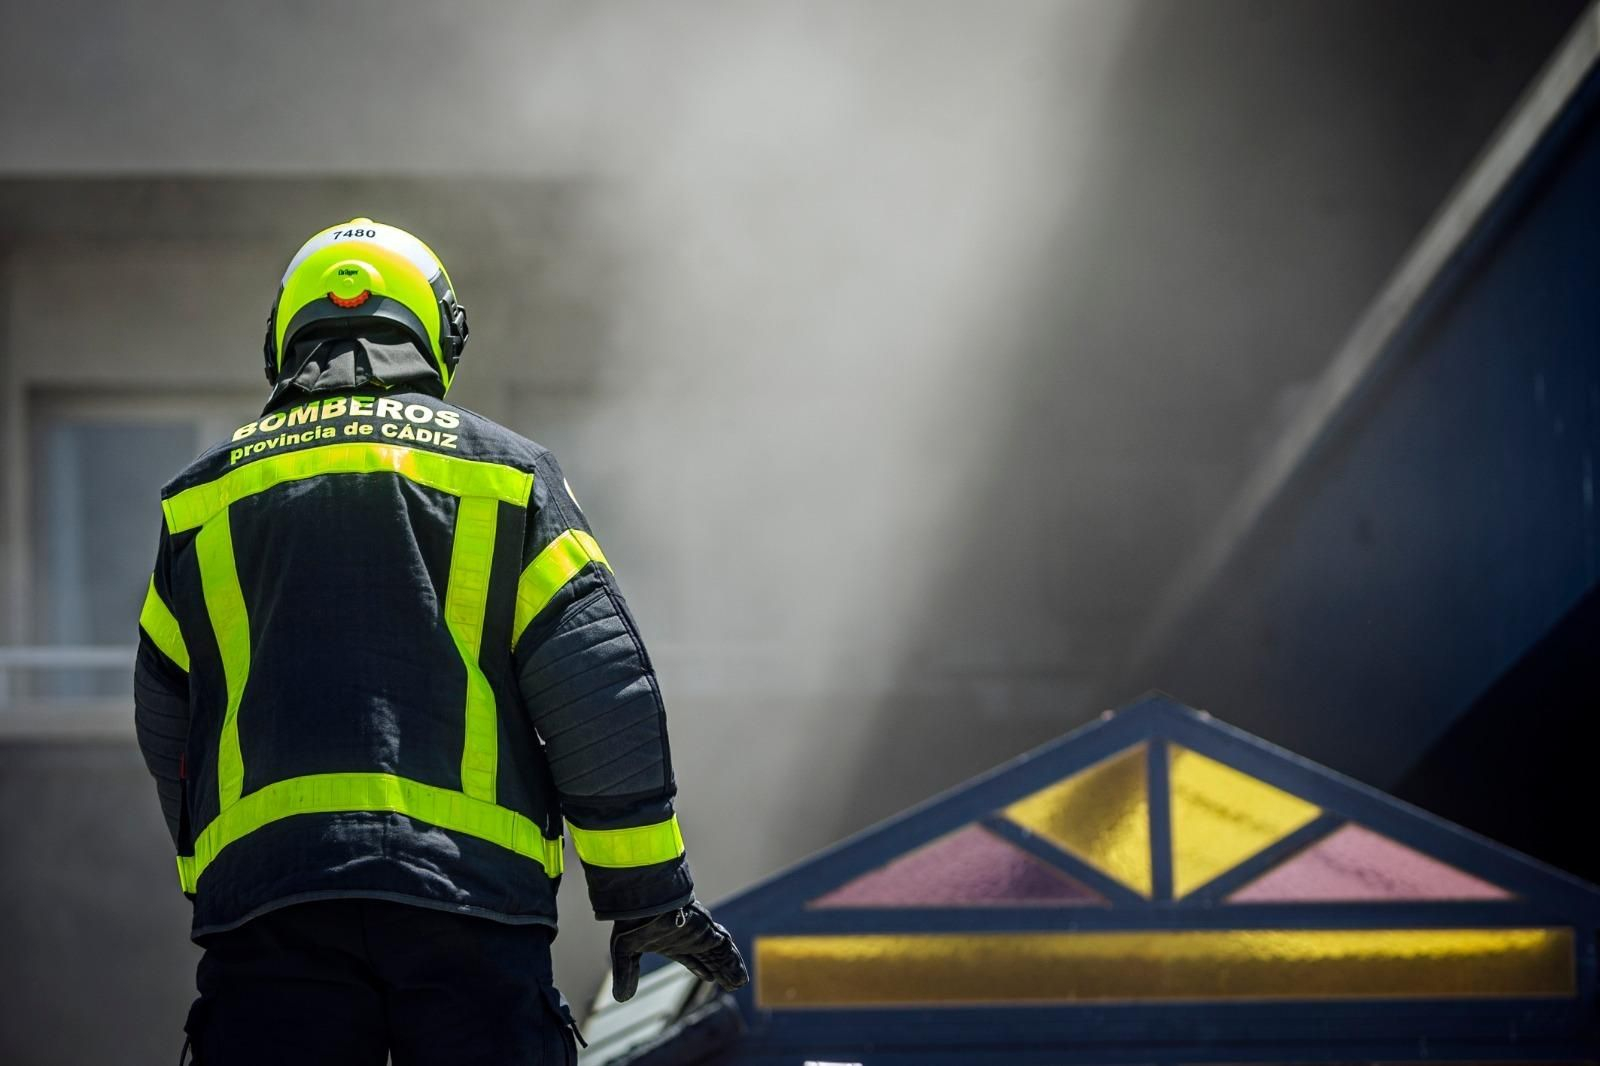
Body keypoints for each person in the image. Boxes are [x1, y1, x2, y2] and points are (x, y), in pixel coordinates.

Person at [134, 217, 748, 1065]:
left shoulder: (198, 501)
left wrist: (219, 876)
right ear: (436, 329)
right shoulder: (505, 474)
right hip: (469, 912)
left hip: (270, 919)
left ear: (284, 336)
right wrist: (644, 895)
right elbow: (598, 690)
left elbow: (168, 716)